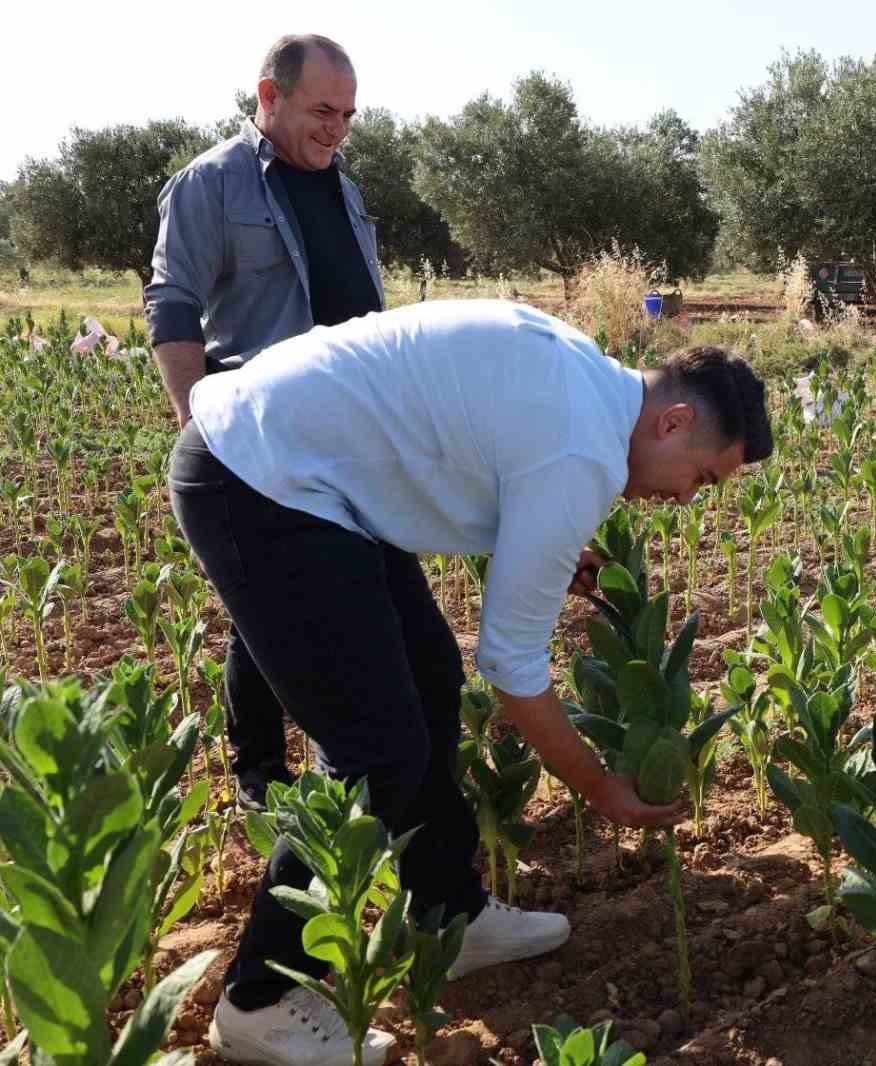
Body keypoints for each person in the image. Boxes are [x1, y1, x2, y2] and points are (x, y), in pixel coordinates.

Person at [172, 299, 774, 1066]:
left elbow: (481, 450)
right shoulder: (581, 454)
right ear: (674, 421)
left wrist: (546, 536)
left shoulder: (589, 379)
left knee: (429, 679)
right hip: (255, 478)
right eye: (701, 477)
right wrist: (599, 788)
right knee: (371, 749)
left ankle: (446, 915)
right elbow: (514, 666)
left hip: (313, 476)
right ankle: (258, 1000)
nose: (685, 498)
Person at [145, 33, 384, 811]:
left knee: (302, 587)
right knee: (268, 592)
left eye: (348, 114)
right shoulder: (211, 183)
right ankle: (258, 768)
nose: (337, 128)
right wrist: (197, 425)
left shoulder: (343, 187)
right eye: (323, 110)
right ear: (269, 96)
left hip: (345, 422)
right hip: (257, 426)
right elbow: (173, 301)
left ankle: (321, 759)